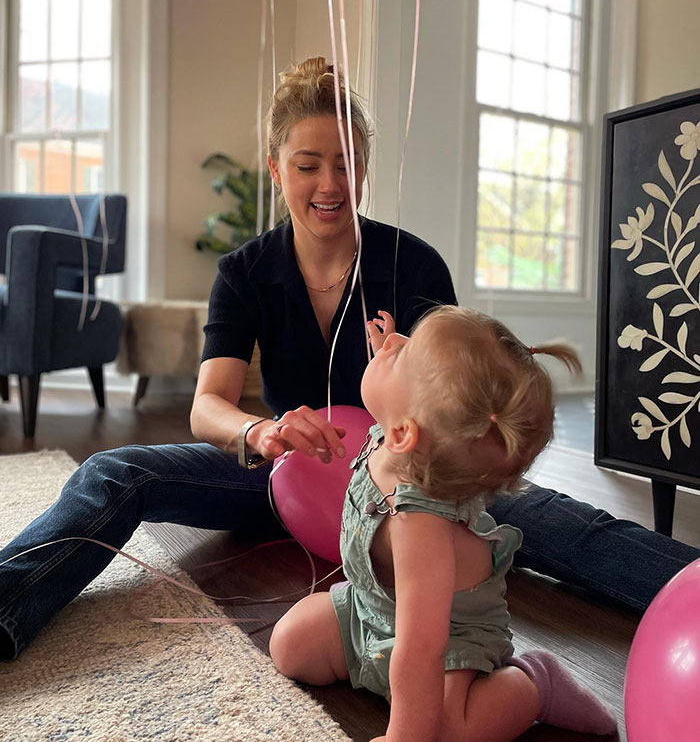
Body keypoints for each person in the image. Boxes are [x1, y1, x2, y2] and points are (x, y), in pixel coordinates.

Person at [0, 57, 697, 663]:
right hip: (286, 475)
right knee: (113, 472)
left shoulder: (413, 264)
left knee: (567, 525)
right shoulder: (244, 272)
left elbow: (459, 402)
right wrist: (261, 432)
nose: (330, 183)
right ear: (276, 168)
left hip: (414, 484)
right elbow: (208, 404)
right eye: (308, 165)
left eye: (346, 163)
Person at [269, 306, 617, 740]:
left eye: (402, 352)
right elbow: (411, 401)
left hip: (447, 639)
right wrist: (392, 362)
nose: (393, 342)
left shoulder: (420, 527)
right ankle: (387, 673)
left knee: (450, 730)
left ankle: (534, 684)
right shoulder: (400, 434)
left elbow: (422, 647)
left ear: (404, 433)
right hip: (373, 608)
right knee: (290, 646)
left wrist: (405, 736)